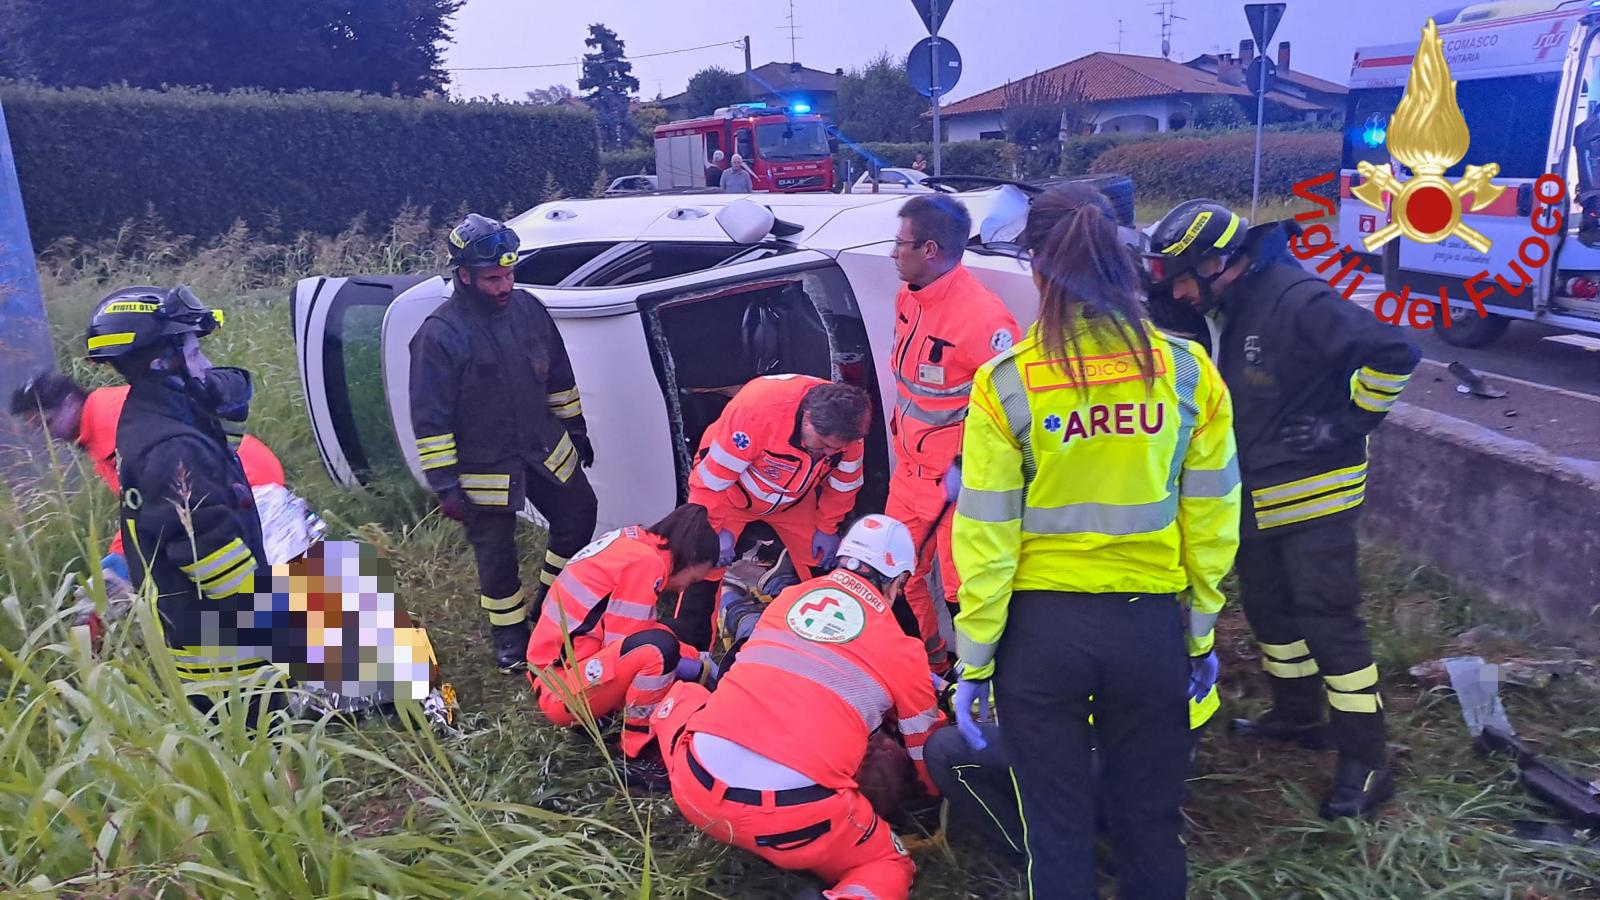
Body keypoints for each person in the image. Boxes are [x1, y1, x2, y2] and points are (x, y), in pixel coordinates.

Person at [950, 183, 1241, 899]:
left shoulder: (1005, 384)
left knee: (1057, 831)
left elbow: (987, 535)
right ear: (1121, 259)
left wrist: (975, 660)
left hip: (1040, 639)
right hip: (1150, 631)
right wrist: (1201, 632)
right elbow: (1213, 516)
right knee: (1149, 824)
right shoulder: (1186, 372)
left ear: (1039, 272)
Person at [1144, 199, 1421, 819]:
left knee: (1329, 622)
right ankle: (1297, 716)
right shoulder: (1223, 305)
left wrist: (1346, 425)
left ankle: (1367, 759)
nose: (1178, 290)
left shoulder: (1298, 298)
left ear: (1221, 262)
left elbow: (1394, 351)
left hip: (1313, 494)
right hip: (1254, 492)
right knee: (1270, 613)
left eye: (1183, 276)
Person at [648, 514, 945, 900]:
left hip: (695, 788)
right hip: (795, 822)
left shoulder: (788, 599)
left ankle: (641, 751)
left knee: (685, 699)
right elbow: (923, 744)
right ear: (900, 582)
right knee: (888, 865)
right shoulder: (903, 651)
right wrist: (930, 795)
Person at [409, 213, 599, 672]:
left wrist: (576, 430)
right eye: (493, 278)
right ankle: (510, 636)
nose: (504, 286)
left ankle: (550, 608)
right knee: (497, 555)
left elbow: (559, 378)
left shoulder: (529, 309)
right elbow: (430, 421)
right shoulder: (439, 335)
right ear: (464, 276)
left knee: (579, 514)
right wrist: (446, 485)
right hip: (484, 465)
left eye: (509, 274)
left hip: (543, 446)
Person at [86, 285, 282, 713]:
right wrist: (271, 616)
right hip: (226, 653)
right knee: (260, 752)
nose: (206, 364)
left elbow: (229, 391)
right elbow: (207, 552)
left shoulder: (158, 417)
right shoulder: (171, 447)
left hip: (209, 633)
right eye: (195, 353)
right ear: (162, 362)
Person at [887, 194, 1021, 671]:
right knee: (899, 577)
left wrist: (972, 466)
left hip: (956, 486)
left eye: (899, 243)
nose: (891, 253)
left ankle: (979, 680)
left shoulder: (983, 320)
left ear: (930, 250)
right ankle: (929, 669)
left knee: (964, 590)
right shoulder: (910, 296)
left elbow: (1014, 411)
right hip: (909, 475)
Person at [672, 375, 870, 649]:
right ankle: (688, 654)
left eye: (834, 449)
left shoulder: (849, 432)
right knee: (704, 569)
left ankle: (836, 649)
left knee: (824, 567)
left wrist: (827, 527)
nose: (827, 454)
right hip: (730, 493)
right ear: (808, 418)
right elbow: (711, 481)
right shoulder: (757, 411)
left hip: (795, 502)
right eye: (822, 445)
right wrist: (712, 529)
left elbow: (844, 486)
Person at [10, 370, 285, 567]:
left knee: (290, 596)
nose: (46, 436)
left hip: (243, 485)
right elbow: (140, 504)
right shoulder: (97, 425)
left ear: (69, 403)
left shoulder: (116, 421)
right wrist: (118, 557)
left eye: (45, 424)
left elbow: (162, 500)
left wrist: (125, 563)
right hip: (228, 485)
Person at [525, 503, 720, 762]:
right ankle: (637, 750)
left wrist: (695, 658)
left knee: (674, 635)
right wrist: (690, 665)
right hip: (561, 692)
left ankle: (608, 716)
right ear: (689, 556)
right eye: (692, 579)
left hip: (552, 670)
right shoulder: (645, 565)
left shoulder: (634, 541)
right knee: (660, 651)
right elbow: (631, 647)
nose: (685, 587)